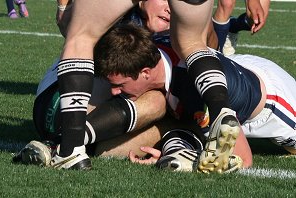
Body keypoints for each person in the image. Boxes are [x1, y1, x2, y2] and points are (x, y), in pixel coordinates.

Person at [52, 0, 266, 172]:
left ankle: (70, 148)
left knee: (81, 36)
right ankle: (221, 110)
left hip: (264, 92)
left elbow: (244, 159)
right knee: (192, 43)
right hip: (214, 80)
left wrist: (63, 7)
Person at [92, 24, 296, 170]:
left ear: (146, 72)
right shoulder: (151, 45)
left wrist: (184, 157)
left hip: (274, 101)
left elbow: (242, 159)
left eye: (119, 85)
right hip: (237, 64)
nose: (114, 92)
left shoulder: (196, 92)